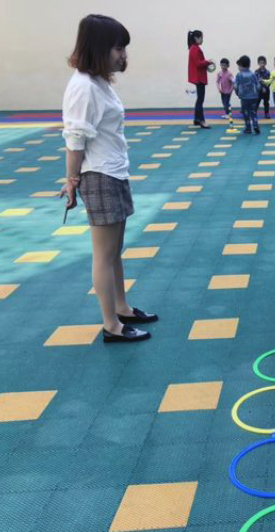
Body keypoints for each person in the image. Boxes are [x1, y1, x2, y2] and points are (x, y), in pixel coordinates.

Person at [61, 14, 156, 343]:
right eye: (118, 48)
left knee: (114, 251)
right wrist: (71, 181)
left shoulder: (98, 82)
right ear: (99, 48)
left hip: (113, 171)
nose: (123, 55)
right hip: (98, 175)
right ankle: (111, 325)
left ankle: (122, 308)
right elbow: (75, 139)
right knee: (103, 254)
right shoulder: (83, 87)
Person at [187, 29, 214, 129]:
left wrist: (206, 63)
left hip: (198, 76)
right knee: (200, 100)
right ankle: (202, 121)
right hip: (199, 78)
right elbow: (198, 63)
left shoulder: (194, 48)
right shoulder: (195, 49)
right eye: (201, 37)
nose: (202, 39)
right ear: (196, 38)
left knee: (199, 99)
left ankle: (196, 119)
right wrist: (208, 62)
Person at [234, 55, 261, 134]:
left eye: (239, 65)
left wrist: (237, 93)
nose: (238, 67)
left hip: (244, 97)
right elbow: (258, 86)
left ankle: (248, 128)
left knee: (245, 112)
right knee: (253, 112)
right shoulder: (253, 74)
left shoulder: (239, 75)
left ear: (241, 65)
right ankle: (255, 125)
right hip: (253, 97)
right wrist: (257, 93)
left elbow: (235, 86)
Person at [216, 58, 234, 123]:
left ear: (228, 66)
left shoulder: (229, 74)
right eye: (222, 65)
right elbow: (217, 82)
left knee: (226, 102)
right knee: (224, 103)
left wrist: (231, 90)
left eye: (225, 65)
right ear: (220, 65)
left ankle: (228, 114)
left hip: (228, 91)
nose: (223, 66)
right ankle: (227, 113)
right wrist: (219, 88)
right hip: (222, 91)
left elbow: (233, 82)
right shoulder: (219, 73)